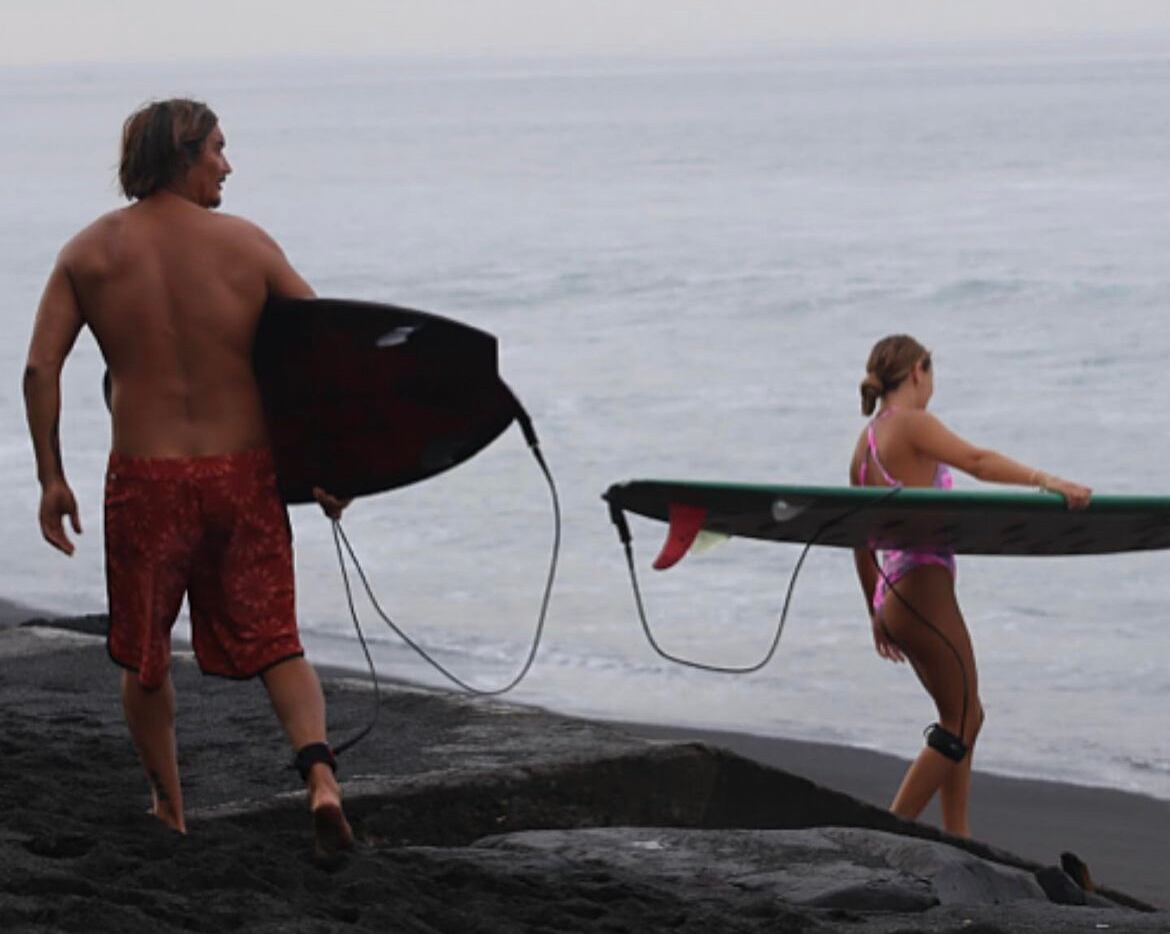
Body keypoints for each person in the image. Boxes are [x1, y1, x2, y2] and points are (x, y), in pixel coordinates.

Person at [23, 98, 353, 861]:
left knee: (144, 654)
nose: (227, 166)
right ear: (182, 154)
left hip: (148, 481)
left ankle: (169, 809)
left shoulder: (89, 253)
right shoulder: (248, 247)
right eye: (217, 150)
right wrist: (329, 463)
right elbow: (325, 354)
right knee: (278, 642)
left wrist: (51, 476)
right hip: (243, 474)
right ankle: (321, 778)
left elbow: (42, 366)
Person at [849, 334, 1091, 837]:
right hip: (922, 589)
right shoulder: (913, 424)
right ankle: (885, 833)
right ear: (918, 371)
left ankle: (958, 837)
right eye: (931, 373)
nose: (932, 384)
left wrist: (875, 609)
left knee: (962, 715)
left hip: (895, 593)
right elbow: (977, 462)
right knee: (962, 719)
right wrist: (1051, 481)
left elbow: (859, 538)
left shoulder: (866, 443)